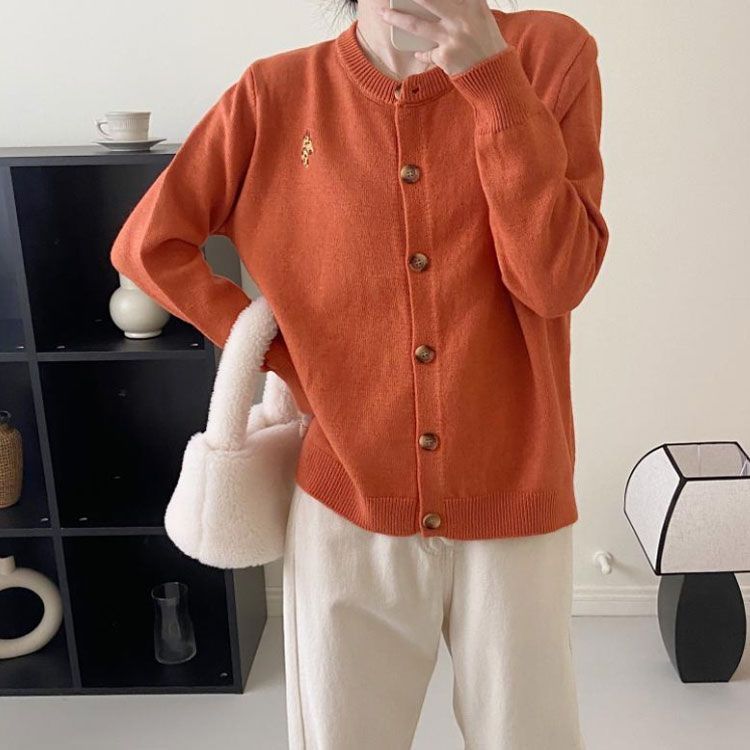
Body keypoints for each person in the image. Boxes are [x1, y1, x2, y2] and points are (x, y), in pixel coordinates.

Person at [111, 0, 609, 747]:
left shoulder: (548, 56)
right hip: (345, 499)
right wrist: (289, 354)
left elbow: (555, 281)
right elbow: (151, 245)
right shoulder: (276, 93)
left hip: (515, 494)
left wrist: (493, 82)